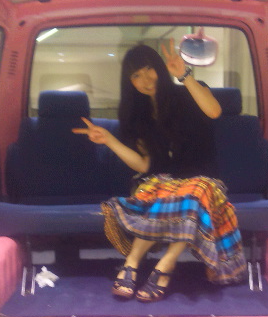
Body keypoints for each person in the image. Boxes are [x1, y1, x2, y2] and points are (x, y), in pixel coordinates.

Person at [73, 40, 246, 302]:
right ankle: (132, 262)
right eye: (136, 75)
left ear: (160, 68)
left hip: (202, 180)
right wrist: (109, 140)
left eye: (149, 69)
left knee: (193, 194)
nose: (145, 80)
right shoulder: (135, 114)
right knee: (161, 190)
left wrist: (184, 75)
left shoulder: (189, 91)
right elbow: (144, 165)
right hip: (165, 180)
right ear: (129, 82)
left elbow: (214, 111)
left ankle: (165, 265)